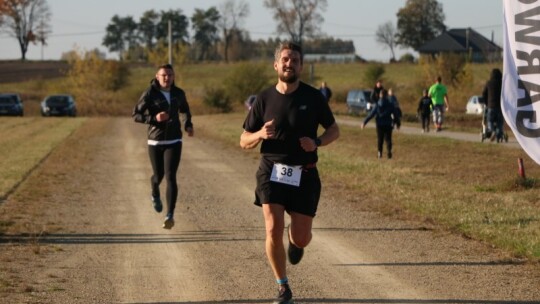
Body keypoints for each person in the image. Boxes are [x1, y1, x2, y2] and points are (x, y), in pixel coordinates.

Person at [240, 42, 340, 304]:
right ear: (276, 65)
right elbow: (243, 140)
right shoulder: (263, 99)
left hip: (305, 174)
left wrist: (316, 142)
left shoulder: (313, 97)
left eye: (295, 60)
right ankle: (283, 287)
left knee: (301, 237)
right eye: (285, 59)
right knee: (273, 228)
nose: (289, 63)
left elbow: (334, 130)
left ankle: (296, 244)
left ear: (301, 66)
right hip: (271, 171)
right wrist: (260, 133)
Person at [132, 64, 194, 229]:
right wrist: (153, 118)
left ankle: (170, 215)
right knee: (158, 176)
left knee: (170, 176)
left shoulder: (178, 93)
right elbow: (136, 115)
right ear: (157, 76)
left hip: (174, 141)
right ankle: (154, 191)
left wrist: (188, 125)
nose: (167, 78)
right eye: (164, 75)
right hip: (155, 141)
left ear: (173, 77)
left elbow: (185, 110)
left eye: (170, 75)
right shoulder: (149, 93)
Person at [361, 89, 396, 159]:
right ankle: (389, 152)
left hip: (379, 124)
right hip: (388, 124)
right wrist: (397, 123)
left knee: (380, 139)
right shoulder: (390, 105)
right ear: (386, 95)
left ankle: (380, 153)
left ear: (380, 95)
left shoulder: (377, 105)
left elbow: (371, 114)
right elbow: (395, 114)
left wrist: (364, 122)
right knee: (388, 139)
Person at [481, 68, 504, 142]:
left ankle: (492, 130)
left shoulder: (489, 83)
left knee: (490, 121)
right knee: (500, 122)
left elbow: (484, 93)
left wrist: (486, 102)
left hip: (491, 106)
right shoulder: (502, 84)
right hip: (500, 107)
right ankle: (498, 134)